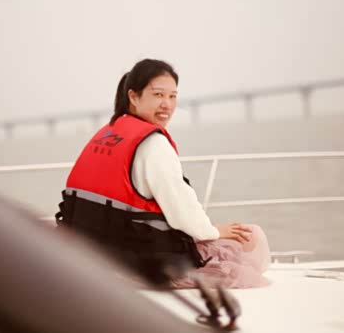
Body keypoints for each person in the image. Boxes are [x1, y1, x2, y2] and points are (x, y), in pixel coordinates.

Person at [56, 59, 270, 288]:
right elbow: (183, 216)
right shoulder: (154, 144)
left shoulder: (107, 133)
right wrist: (216, 231)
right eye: (158, 95)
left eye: (172, 96)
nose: (167, 104)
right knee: (253, 237)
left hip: (94, 255)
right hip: (144, 263)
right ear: (133, 97)